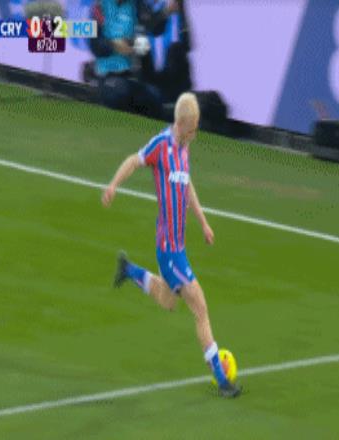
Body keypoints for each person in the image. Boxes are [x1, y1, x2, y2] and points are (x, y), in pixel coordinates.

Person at [102, 93, 241, 398]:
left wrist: (203, 222)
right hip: (169, 249)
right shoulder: (161, 146)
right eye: (193, 128)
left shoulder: (184, 149)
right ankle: (222, 379)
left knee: (168, 301)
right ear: (181, 124)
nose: (196, 133)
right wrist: (113, 185)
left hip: (178, 245)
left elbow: (186, 185)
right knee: (200, 307)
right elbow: (133, 160)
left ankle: (129, 270)